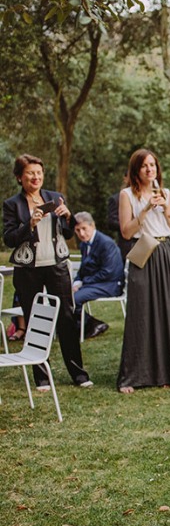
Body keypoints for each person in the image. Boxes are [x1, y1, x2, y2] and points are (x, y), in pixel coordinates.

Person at [3, 154, 92, 389]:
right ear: (20, 177)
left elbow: (70, 233)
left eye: (39, 173)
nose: (36, 177)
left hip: (56, 266)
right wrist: (29, 225)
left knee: (66, 318)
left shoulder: (54, 197)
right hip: (28, 270)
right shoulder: (13, 204)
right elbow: (9, 239)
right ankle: (42, 376)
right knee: (34, 319)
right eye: (31, 173)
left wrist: (68, 217)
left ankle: (79, 374)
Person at [116, 149, 170, 393]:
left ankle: (166, 372)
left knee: (165, 310)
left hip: (164, 251)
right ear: (136, 170)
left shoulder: (166, 193)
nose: (149, 170)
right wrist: (145, 209)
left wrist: (165, 208)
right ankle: (133, 375)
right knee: (141, 311)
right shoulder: (126, 195)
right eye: (144, 166)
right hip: (142, 249)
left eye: (153, 165)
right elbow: (125, 231)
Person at [72, 211, 124, 339]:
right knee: (66, 295)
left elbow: (108, 272)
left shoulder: (106, 243)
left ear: (93, 226)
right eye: (78, 230)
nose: (81, 234)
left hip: (111, 284)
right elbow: (83, 268)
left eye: (84, 229)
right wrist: (77, 281)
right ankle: (86, 325)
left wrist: (83, 283)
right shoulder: (84, 244)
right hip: (96, 283)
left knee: (75, 299)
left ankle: (91, 325)